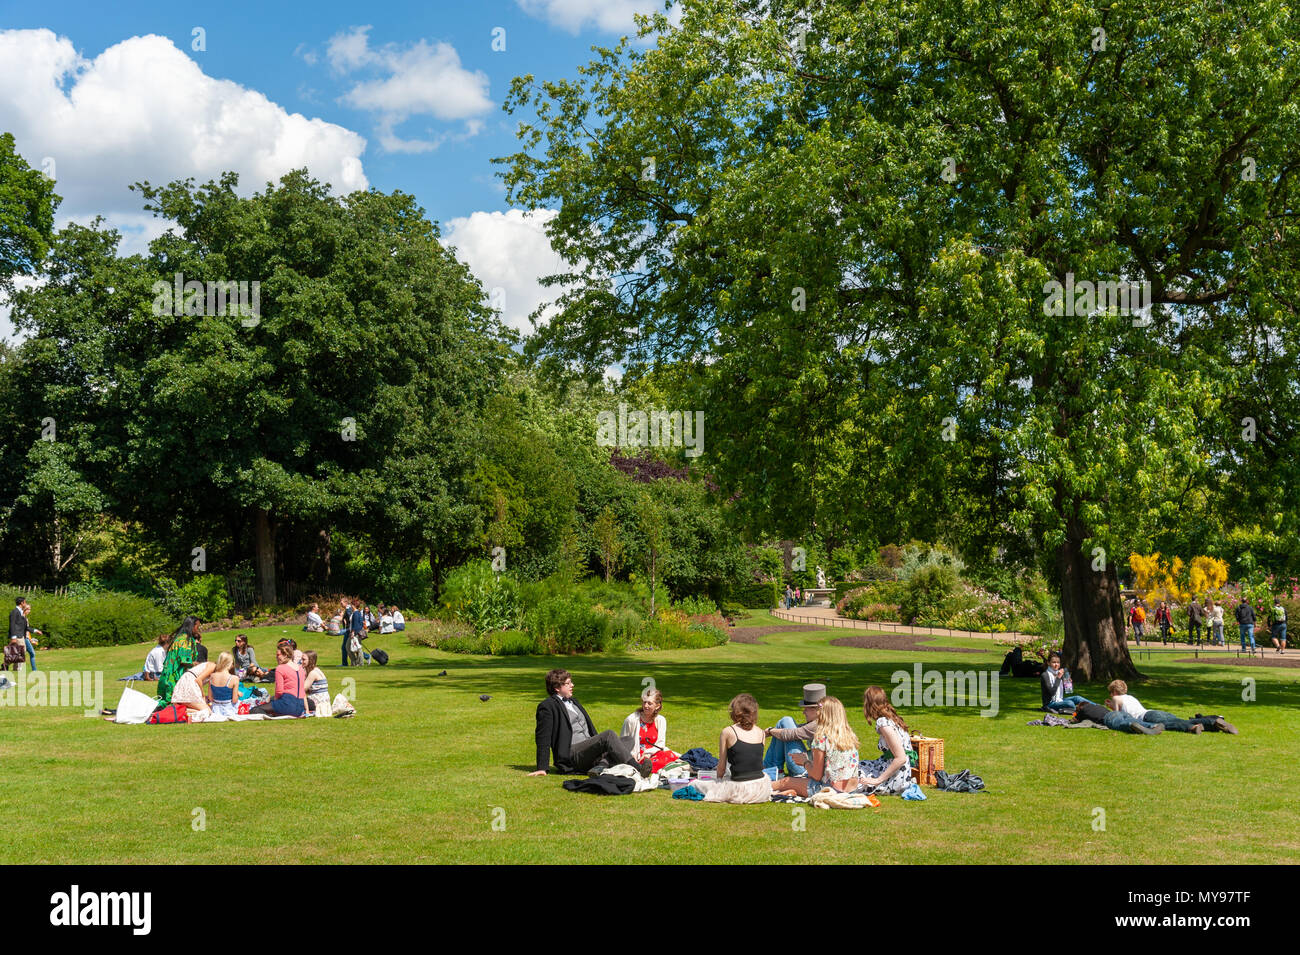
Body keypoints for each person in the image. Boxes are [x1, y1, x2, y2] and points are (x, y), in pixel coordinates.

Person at [529, 669, 651, 777]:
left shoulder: (573, 701)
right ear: (557, 688)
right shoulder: (547, 706)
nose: (572, 685)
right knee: (609, 735)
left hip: (587, 750)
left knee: (628, 739)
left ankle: (600, 766)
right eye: (568, 683)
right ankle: (638, 767)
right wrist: (542, 767)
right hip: (572, 753)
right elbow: (542, 737)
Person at [770, 696, 859, 798]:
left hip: (827, 790)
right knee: (794, 782)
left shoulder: (821, 737)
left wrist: (804, 761)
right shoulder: (850, 736)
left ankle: (759, 788)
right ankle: (788, 790)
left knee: (785, 781)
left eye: (818, 710)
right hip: (851, 791)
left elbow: (816, 776)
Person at [1106, 680, 1237, 734]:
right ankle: (1213, 721)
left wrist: (1111, 706)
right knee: (1179, 720)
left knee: (1170, 725)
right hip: (1152, 711)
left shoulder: (1116, 698)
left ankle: (1193, 728)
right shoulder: (1130, 697)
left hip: (1146, 717)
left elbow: (1119, 716)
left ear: (1114, 691)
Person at [859, 685, 916, 795]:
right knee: (857, 766)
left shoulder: (883, 723)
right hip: (897, 770)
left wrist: (877, 780)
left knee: (854, 776)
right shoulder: (893, 718)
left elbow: (901, 758)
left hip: (896, 777)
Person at [763, 682, 824, 777]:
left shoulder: (817, 724)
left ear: (816, 710)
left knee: (786, 720)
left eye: (806, 709)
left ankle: (772, 769)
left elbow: (792, 733)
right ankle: (773, 769)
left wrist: (770, 731)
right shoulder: (822, 722)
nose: (803, 712)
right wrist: (774, 731)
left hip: (806, 770)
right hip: (807, 766)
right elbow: (793, 729)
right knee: (783, 724)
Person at [249, 644, 307, 717]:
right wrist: (306, 709)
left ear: (285, 655)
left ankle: (272, 716)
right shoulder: (300, 669)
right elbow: (302, 691)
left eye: (278, 655)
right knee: (271, 702)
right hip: (299, 708)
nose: (276, 657)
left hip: (287, 703)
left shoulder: (280, 668)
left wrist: (275, 704)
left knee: (254, 710)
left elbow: (279, 691)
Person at [157, 617, 201, 703]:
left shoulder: (180, 638)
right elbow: (184, 661)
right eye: (197, 627)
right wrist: (198, 665)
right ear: (192, 626)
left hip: (166, 677)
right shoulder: (185, 640)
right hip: (174, 679)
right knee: (173, 707)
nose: (198, 629)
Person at [621, 687, 669, 764]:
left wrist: (648, 754)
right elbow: (623, 743)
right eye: (644, 702)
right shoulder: (631, 720)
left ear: (657, 706)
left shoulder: (661, 720)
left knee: (669, 756)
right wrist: (631, 756)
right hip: (635, 757)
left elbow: (661, 744)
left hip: (654, 755)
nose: (646, 706)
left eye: (649, 703)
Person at [9, 597, 42, 671]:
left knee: (19, 652)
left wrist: (35, 630)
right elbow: (12, 624)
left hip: (20, 636)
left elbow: (24, 627)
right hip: (18, 636)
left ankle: (14, 668)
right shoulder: (15, 612)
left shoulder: (20, 612)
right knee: (21, 652)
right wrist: (13, 637)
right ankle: (12, 667)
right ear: (22, 603)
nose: (26, 604)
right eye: (25, 602)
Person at [208, 652, 241, 718]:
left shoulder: (212, 676)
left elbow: (210, 698)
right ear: (230, 663)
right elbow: (234, 700)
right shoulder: (234, 678)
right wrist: (237, 694)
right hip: (229, 709)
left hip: (215, 709)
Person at [302, 650, 331, 717]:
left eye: (304, 659)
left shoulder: (313, 673)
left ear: (310, 660)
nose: (302, 661)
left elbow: (302, 689)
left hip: (316, 702)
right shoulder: (317, 670)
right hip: (324, 701)